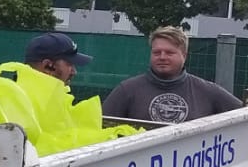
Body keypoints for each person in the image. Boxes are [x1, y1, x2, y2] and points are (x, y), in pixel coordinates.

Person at [102, 26, 242, 124]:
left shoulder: (208, 91)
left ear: (184, 55)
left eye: (169, 53)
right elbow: (98, 128)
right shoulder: (127, 90)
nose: (162, 57)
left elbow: (242, 118)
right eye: (157, 52)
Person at [25, 32, 94, 84]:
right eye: (69, 64)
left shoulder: (51, 99)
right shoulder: (21, 100)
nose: (74, 72)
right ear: (47, 66)